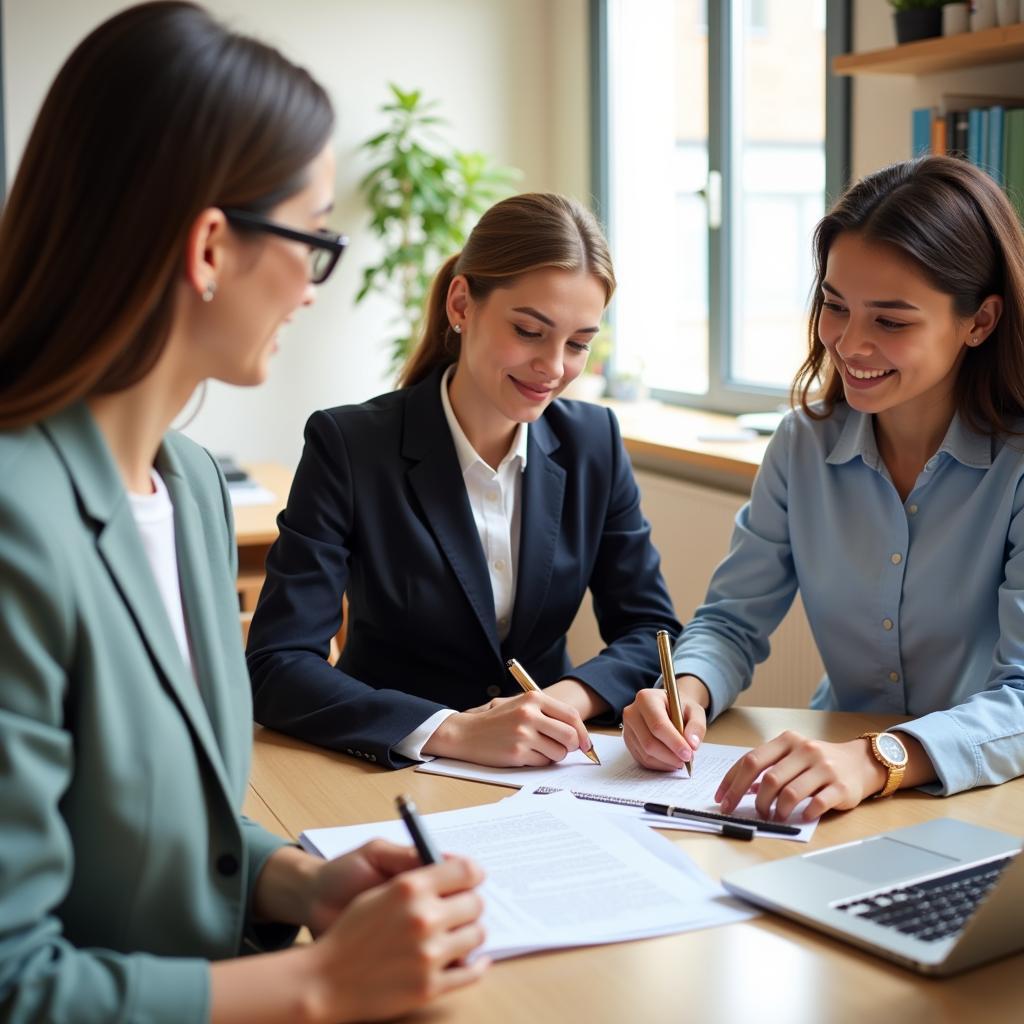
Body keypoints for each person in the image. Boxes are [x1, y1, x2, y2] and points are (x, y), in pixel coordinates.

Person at [0, 4, 487, 1022]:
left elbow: (162, 819)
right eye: (313, 238)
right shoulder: (16, 528)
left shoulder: (185, 488)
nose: (313, 286)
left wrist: (300, 882)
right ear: (211, 247)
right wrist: (317, 981)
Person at [622, 155, 1024, 821]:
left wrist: (879, 757)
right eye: (835, 306)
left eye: (891, 320)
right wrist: (684, 691)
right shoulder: (801, 444)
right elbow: (731, 621)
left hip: (985, 795)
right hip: (832, 789)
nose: (849, 343)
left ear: (979, 322)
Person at [247, 192, 681, 769]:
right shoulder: (350, 446)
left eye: (578, 344)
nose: (554, 368)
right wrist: (449, 731)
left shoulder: (593, 441)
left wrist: (558, 701)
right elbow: (278, 664)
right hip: (389, 771)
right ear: (461, 303)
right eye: (529, 331)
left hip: (552, 772)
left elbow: (651, 628)